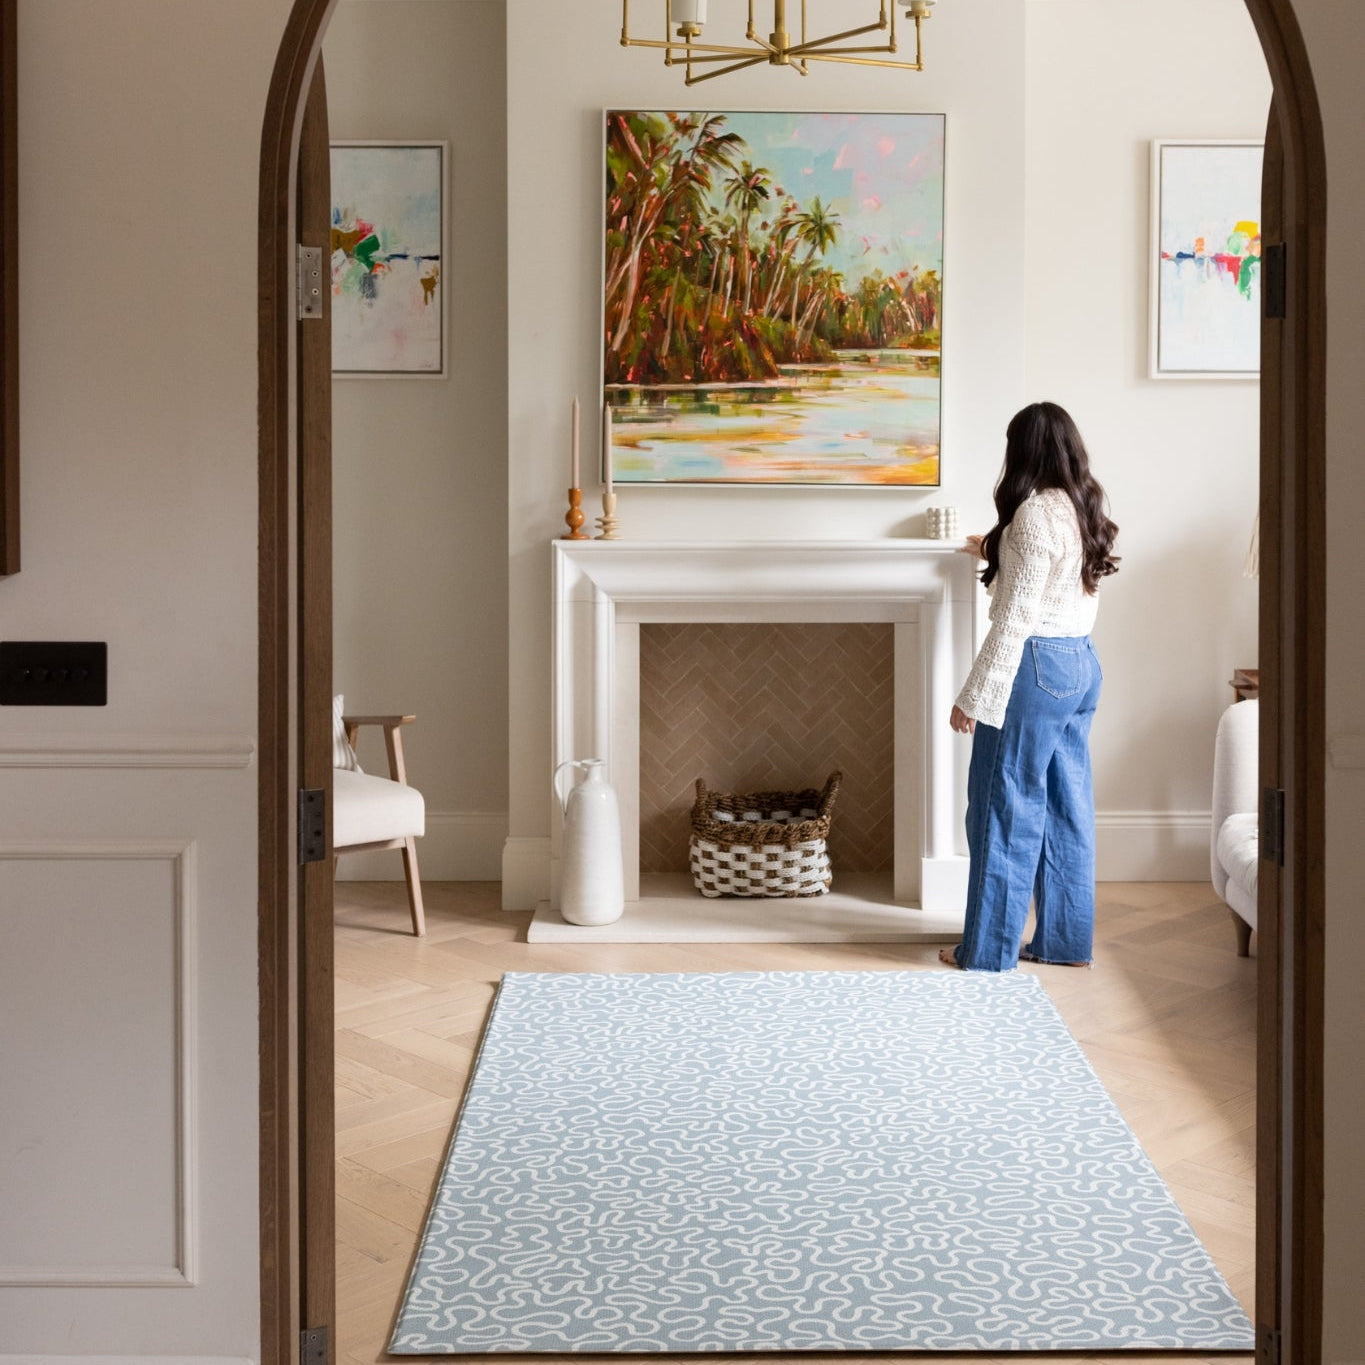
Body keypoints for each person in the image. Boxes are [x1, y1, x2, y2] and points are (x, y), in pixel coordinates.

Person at [939, 401, 1120, 972]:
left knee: (1002, 805)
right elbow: (1055, 581)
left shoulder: (1034, 515)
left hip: (1034, 668)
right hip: (1079, 666)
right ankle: (1064, 943)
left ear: (1022, 451)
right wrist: (994, 548)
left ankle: (986, 951)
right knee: (1067, 807)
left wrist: (974, 695)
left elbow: (1016, 616)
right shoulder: (1080, 506)